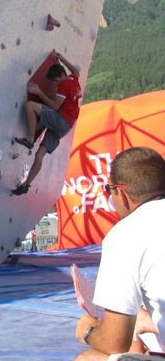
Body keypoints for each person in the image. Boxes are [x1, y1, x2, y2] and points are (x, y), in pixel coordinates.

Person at [74, 147, 165, 360]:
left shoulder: (126, 234)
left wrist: (87, 331)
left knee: (89, 358)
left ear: (121, 194)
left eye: (109, 190)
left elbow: (114, 342)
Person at [12, 52, 82, 195]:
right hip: (66, 127)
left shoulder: (65, 84)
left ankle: (30, 139)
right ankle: (26, 185)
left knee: (30, 106)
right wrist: (63, 59)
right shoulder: (73, 79)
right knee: (39, 155)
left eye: (56, 80)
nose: (56, 84)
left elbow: (54, 106)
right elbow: (76, 71)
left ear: (62, 75)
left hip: (61, 120)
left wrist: (38, 92)